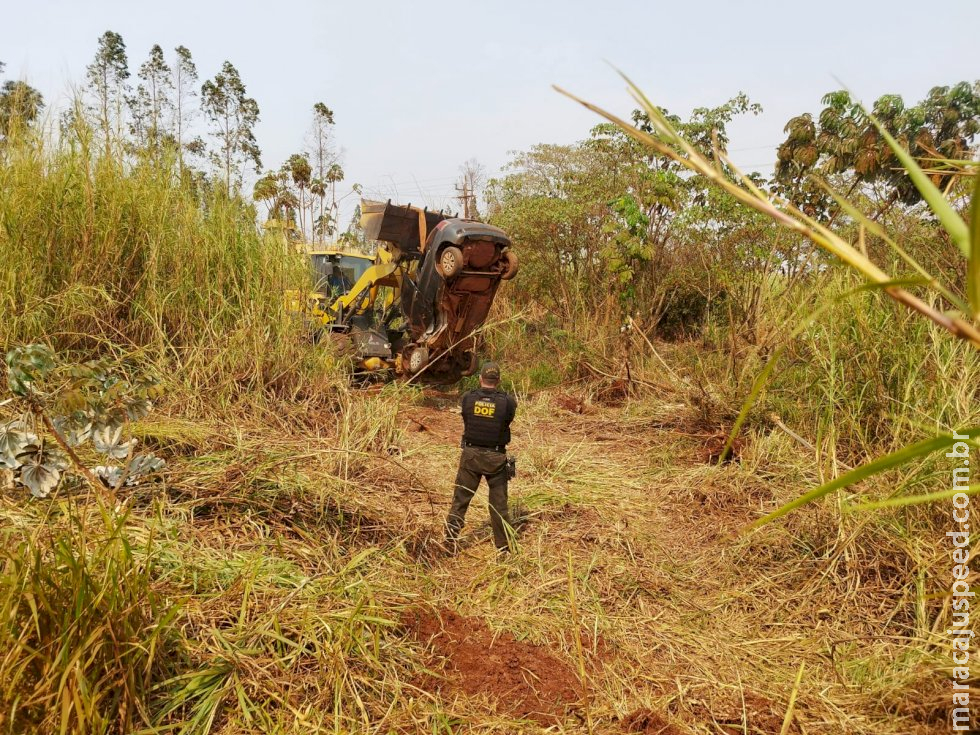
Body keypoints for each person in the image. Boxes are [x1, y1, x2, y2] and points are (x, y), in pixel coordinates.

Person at [445, 361, 518, 553]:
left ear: (480, 379)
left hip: (470, 456)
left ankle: (449, 542)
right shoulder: (508, 401)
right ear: (498, 380)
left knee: (460, 501)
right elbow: (507, 420)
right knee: (499, 506)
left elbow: (467, 419)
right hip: (495, 457)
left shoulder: (468, 398)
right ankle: (503, 549)